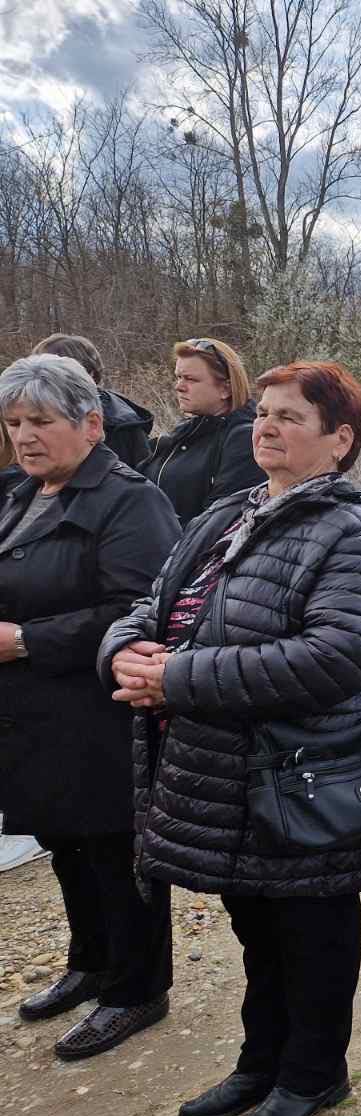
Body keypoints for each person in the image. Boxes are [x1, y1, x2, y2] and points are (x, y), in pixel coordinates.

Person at [100, 360, 361, 1116]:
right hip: (223, 770)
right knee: (256, 928)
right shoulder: (231, 511)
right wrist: (127, 651)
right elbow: (154, 600)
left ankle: (312, 1072)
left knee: (312, 929)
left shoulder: (352, 530)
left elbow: (345, 652)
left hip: (305, 777)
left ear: (340, 442)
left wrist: (178, 676)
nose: (266, 426)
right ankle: (259, 1060)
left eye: (290, 418)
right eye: (263, 413)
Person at [0, 355, 180, 1060]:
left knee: (116, 848)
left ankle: (138, 988)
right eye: (15, 423)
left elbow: (141, 610)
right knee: (64, 842)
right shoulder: (19, 494)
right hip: (32, 716)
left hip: (101, 712)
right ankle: (91, 961)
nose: (25, 436)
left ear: (91, 423)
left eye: (41, 421)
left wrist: (27, 640)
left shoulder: (130, 500)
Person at [140, 337, 265, 525]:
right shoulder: (187, 432)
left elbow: (217, 524)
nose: (179, 386)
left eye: (190, 379)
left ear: (225, 389)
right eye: (178, 377)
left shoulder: (244, 439)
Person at [30, 334, 155, 469]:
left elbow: (142, 480)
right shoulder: (26, 416)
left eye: (53, 375)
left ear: (89, 374)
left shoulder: (122, 426)